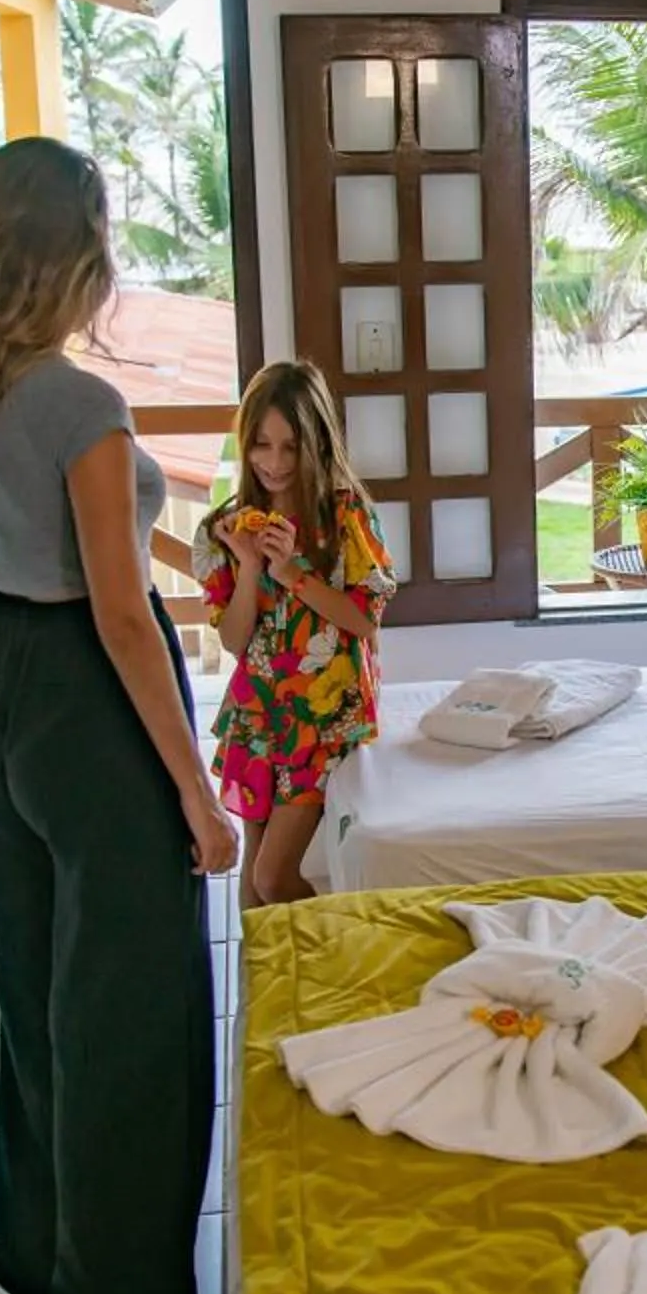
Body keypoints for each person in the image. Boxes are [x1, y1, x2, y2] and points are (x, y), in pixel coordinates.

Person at [0, 136, 234, 1294]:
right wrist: (198, 800)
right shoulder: (83, 402)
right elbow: (115, 610)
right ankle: (119, 1288)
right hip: (86, 702)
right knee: (132, 1000)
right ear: (79, 255)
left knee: (39, 984)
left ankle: (41, 1247)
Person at [194, 360, 394, 909]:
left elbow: (364, 620)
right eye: (261, 445)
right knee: (253, 892)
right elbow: (235, 642)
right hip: (258, 716)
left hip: (325, 721)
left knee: (274, 878)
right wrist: (251, 568)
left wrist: (292, 574)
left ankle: (349, 947)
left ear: (318, 442)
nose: (275, 463)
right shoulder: (225, 530)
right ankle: (264, 995)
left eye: (291, 446)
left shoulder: (345, 516)